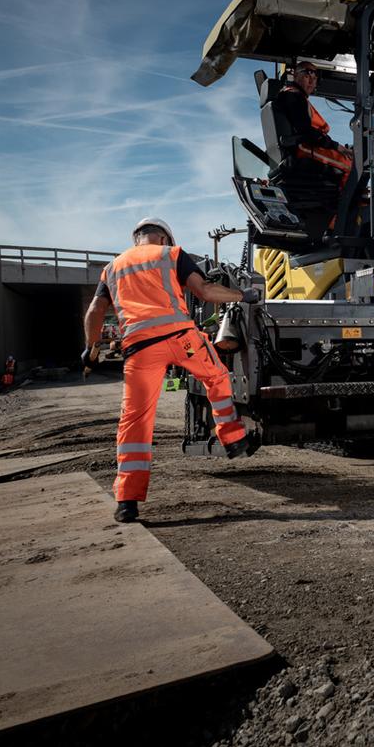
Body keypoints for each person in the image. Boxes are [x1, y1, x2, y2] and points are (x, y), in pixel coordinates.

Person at [82, 218, 261, 523]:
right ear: (163, 238)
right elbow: (204, 290)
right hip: (181, 339)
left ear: (136, 238)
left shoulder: (113, 268)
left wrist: (91, 349)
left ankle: (127, 501)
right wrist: (243, 296)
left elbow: (95, 311)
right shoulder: (172, 255)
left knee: (135, 421)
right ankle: (232, 438)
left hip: (140, 350)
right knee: (216, 376)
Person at [273, 61, 353, 189]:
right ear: (295, 76)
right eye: (307, 76)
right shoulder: (293, 97)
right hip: (302, 148)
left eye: (314, 79)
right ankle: (345, 208)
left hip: (304, 145)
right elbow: (306, 132)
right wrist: (336, 146)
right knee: (351, 166)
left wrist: (335, 146)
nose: (311, 82)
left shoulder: (291, 96)